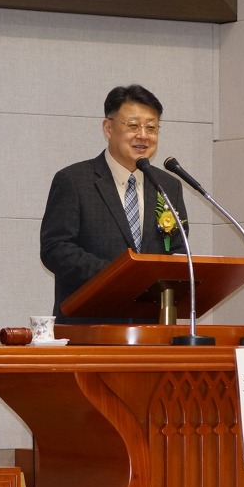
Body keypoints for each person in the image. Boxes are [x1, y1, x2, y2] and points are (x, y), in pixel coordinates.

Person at [40, 84, 188, 323]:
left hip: (151, 326)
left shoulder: (168, 186)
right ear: (108, 128)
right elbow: (55, 249)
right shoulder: (74, 180)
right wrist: (117, 276)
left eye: (151, 127)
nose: (143, 135)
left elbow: (178, 250)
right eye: (133, 126)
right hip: (88, 324)